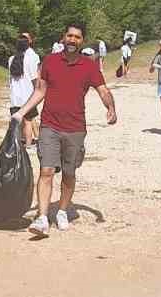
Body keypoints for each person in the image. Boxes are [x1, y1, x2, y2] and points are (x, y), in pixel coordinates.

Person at [13, 21, 117, 238]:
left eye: (77, 37)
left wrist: (111, 108)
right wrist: (21, 112)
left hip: (75, 128)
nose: (72, 40)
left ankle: (61, 210)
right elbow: (40, 91)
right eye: (69, 36)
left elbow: (103, 90)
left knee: (69, 174)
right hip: (50, 125)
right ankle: (42, 218)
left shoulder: (89, 65)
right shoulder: (50, 61)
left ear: (82, 41)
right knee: (47, 170)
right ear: (63, 37)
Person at [8, 31, 41, 147]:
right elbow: (35, 78)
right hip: (27, 95)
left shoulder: (11, 59)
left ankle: (16, 145)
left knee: (16, 122)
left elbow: (10, 79)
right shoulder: (31, 58)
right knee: (28, 121)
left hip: (15, 96)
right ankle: (28, 145)